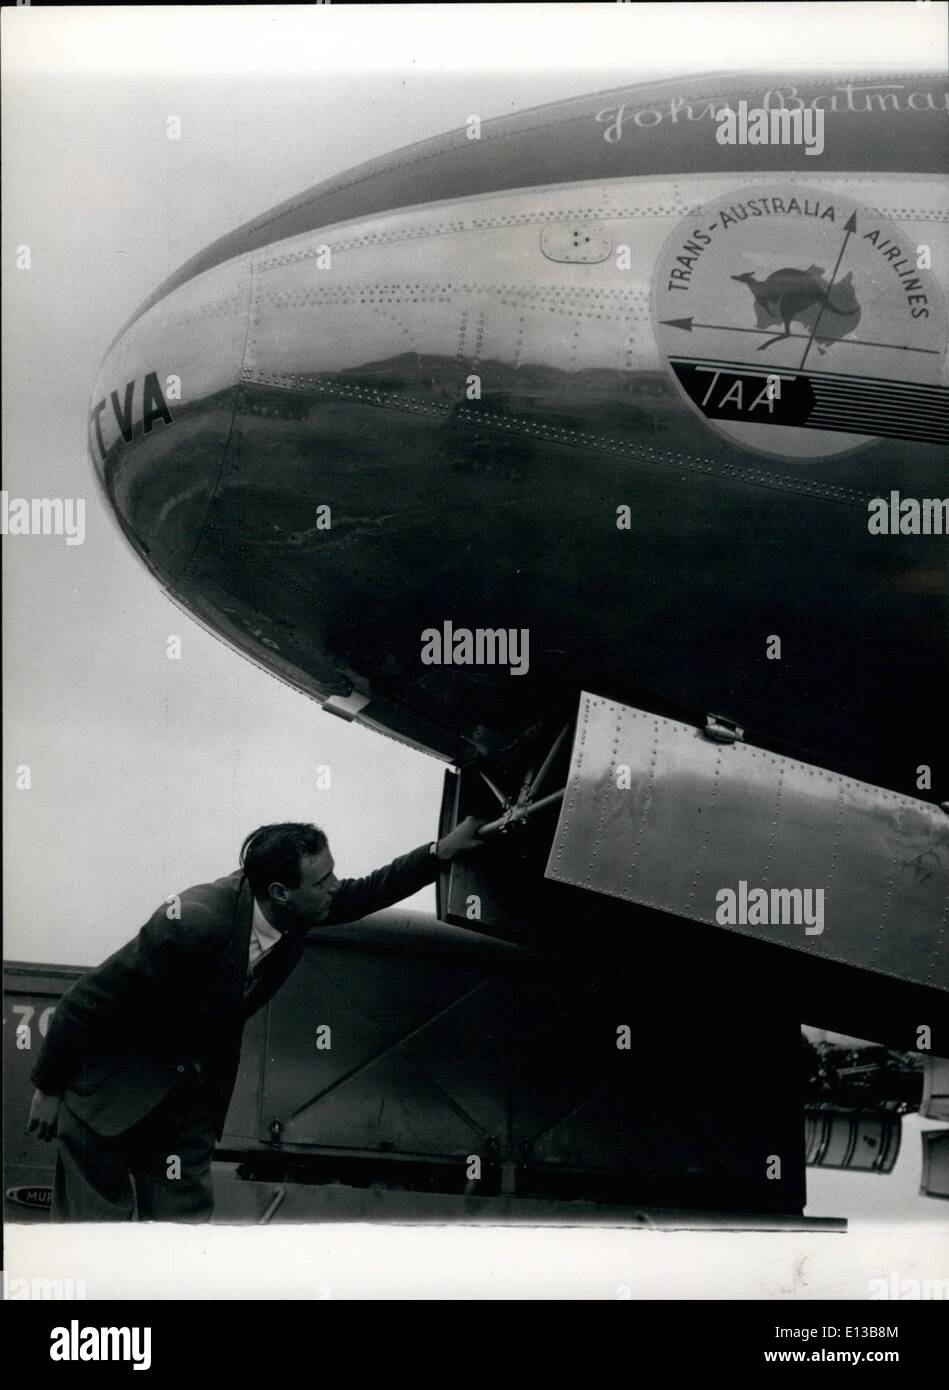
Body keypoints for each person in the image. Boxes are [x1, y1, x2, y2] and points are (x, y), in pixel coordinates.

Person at [27, 817, 485, 1221]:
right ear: (281, 893)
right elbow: (84, 1002)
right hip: (105, 1098)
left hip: (186, 1106)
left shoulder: (299, 909)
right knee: (92, 1249)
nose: (335, 886)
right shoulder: (193, 920)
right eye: (324, 879)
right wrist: (48, 1089)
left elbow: (368, 890)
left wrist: (440, 852)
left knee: (180, 1246)